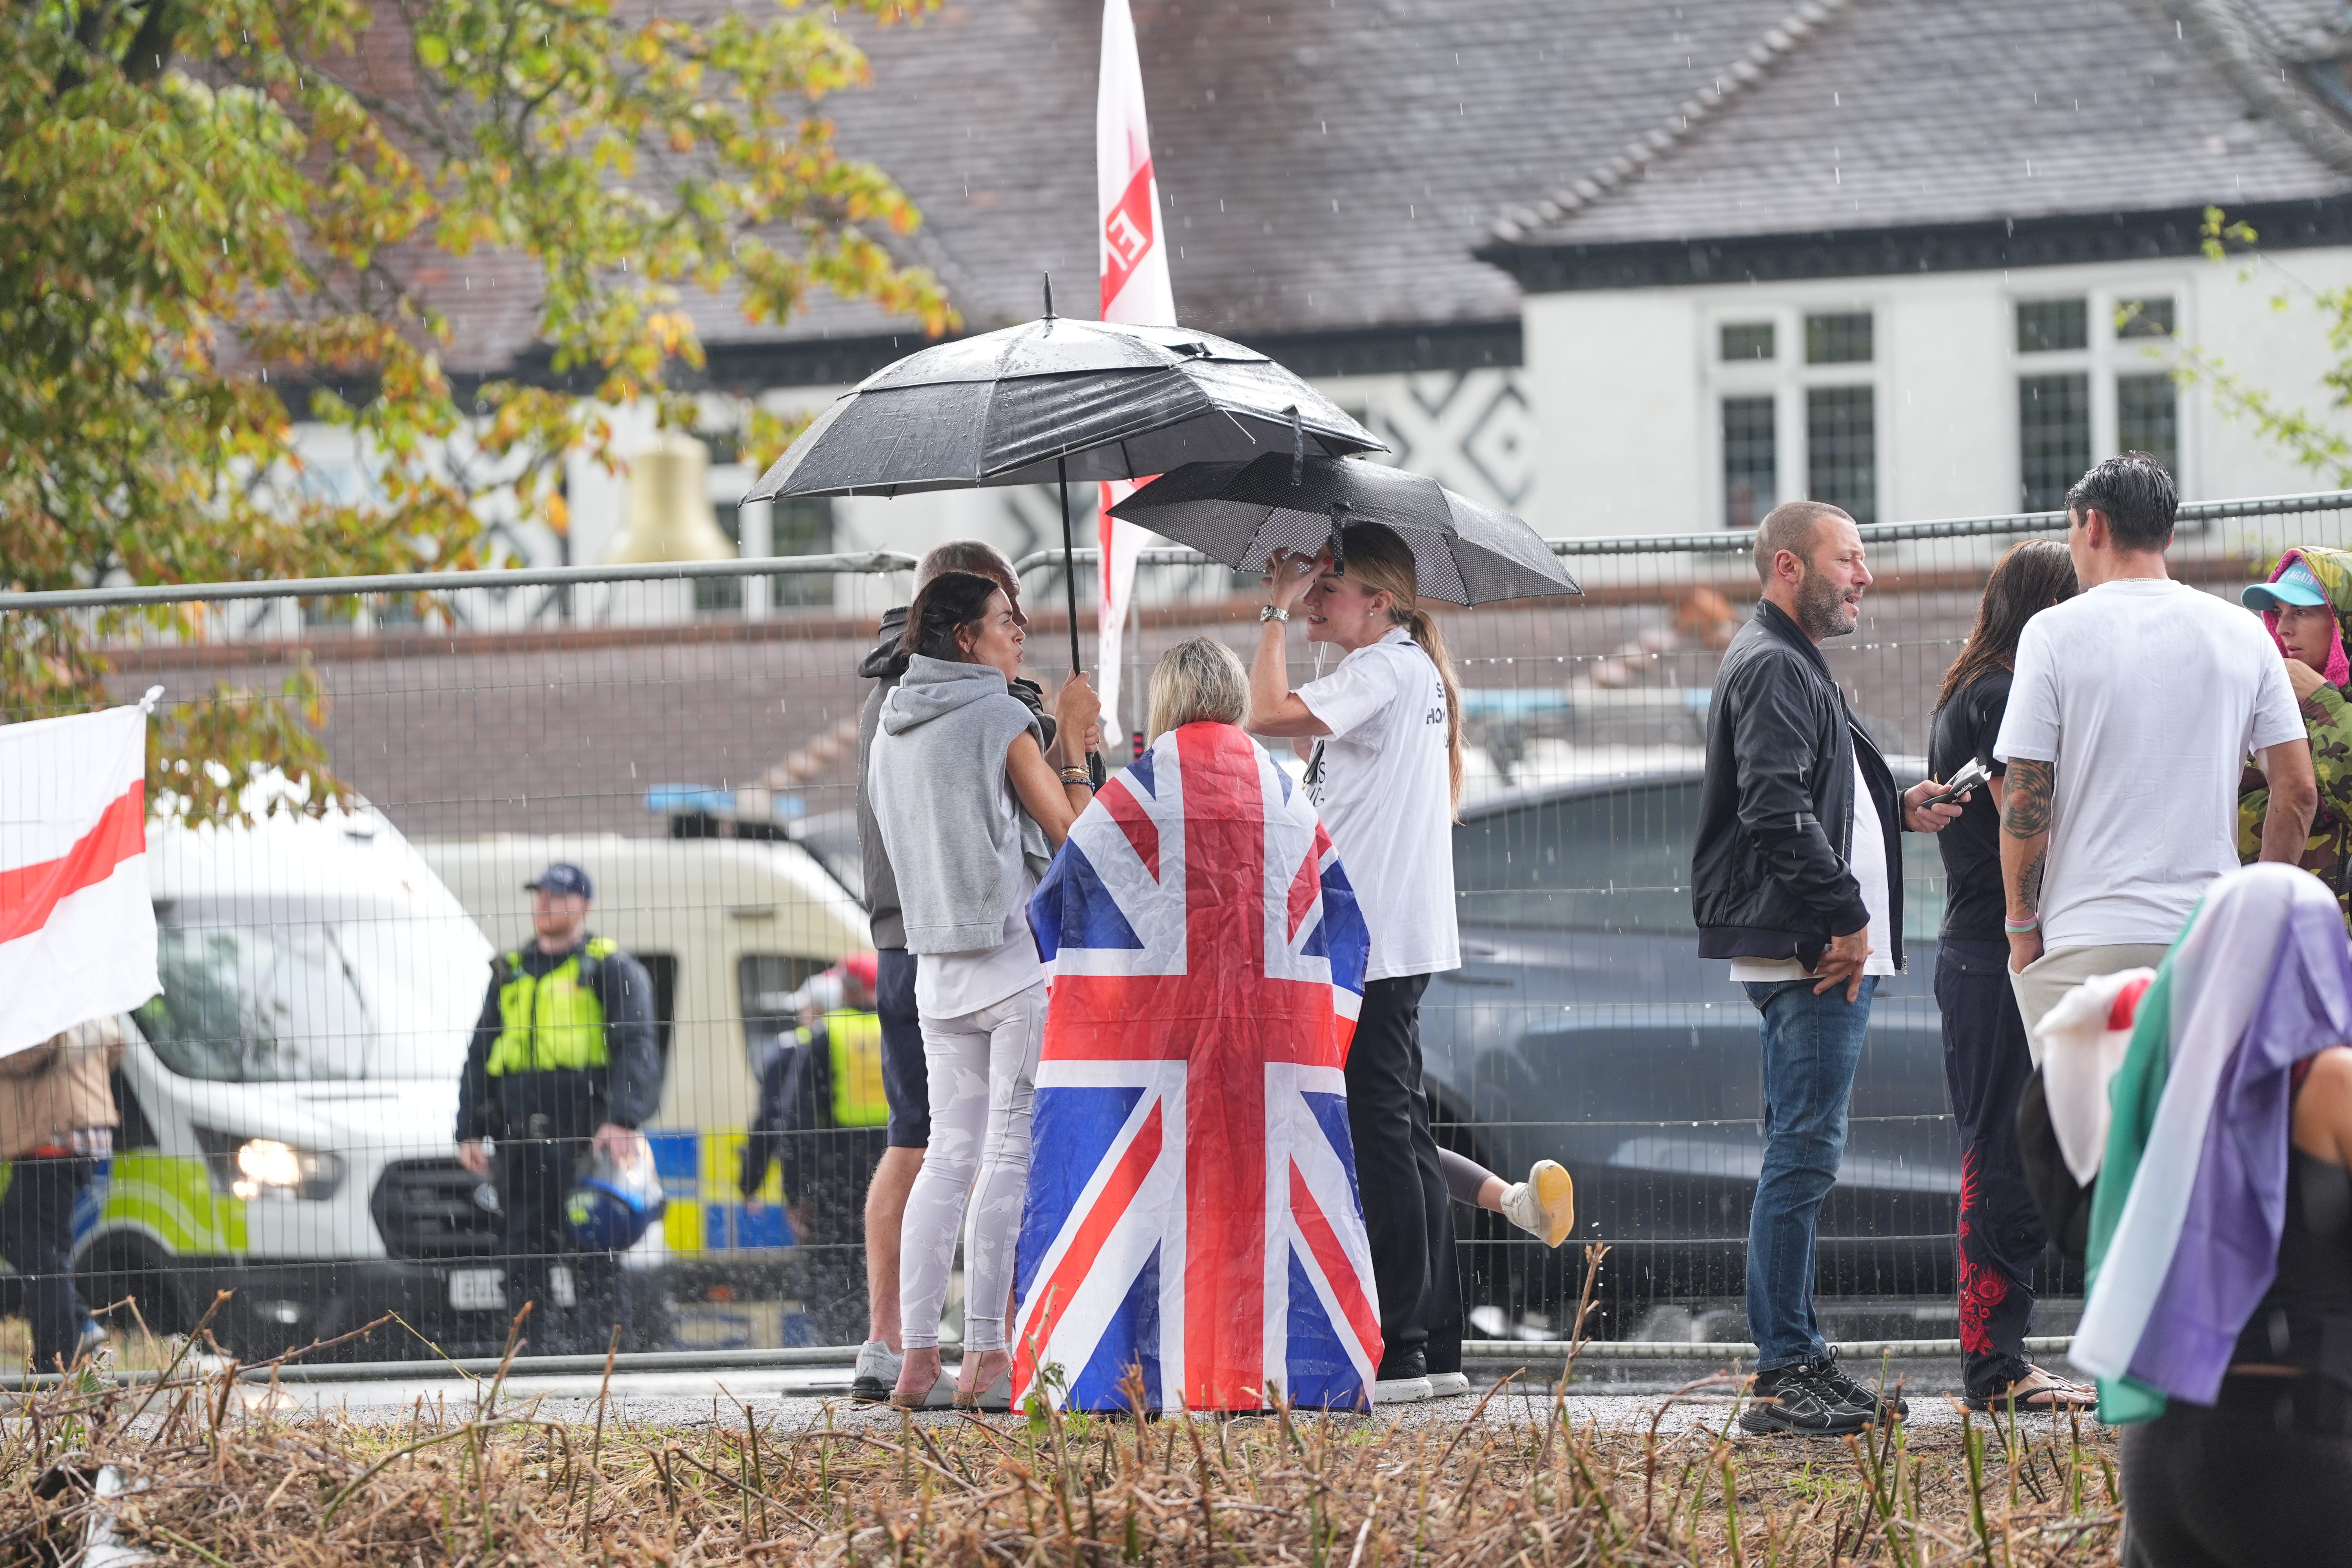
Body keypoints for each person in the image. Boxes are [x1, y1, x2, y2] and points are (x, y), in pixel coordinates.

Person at [1013, 637, 1381, 1411]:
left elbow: (1062, 895)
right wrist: (1319, 1035)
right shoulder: (1286, 797)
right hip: (1270, 1045)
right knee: (1258, 1204)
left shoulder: (1136, 794)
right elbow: (1345, 922)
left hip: (1150, 1047)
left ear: (1166, 701)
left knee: (1136, 1207)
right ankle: (1279, 1372)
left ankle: (1125, 1371)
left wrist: (1077, 764)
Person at [1691, 499, 1964, 1437]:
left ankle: (1801, 1357)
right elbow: (1772, 807)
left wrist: (1901, 803)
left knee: (1803, 1153)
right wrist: (1845, 917)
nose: (1867, 574)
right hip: (1814, 952)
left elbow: (1817, 790)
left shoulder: (1787, 657)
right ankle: (1782, 1377)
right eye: (1848, 558)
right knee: (1802, 1156)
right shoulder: (1772, 661)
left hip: (1818, 946)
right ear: (1786, 566)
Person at [1247, 522, 1468, 1403]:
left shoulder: (1381, 670)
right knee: (1401, 1126)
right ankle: (1431, 1337)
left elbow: (1262, 715)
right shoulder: (1400, 667)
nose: (1313, 595)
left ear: (1380, 600)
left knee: (1383, 1127)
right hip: (1385, 929)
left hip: (1373, 932)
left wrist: (1270, 611)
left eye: (1329, 585)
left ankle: (1404, 1342)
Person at [853, 539, 1077, 1401]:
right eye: (1003, 622)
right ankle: (986, 1353)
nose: (1018, 633)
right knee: (1006, 1154)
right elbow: (1064, 826)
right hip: (1011, 963)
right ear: (963, 638)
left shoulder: (890, 724)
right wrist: (1074, 737)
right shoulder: (998, 718)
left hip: (933, 963)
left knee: (946, 1155)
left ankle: (916, 1355)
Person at [1998, 454, 2316, 1051]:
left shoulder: (2052, 632)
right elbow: (2298, 790)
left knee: (2091, 1139)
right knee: (2193, 1135)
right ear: (2167, 535)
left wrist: (2021, 927)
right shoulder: (2245, 632)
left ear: (2092, 527)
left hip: (2085, 937)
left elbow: (2025, 793)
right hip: (2205, 939)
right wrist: (2255, 915)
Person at [1927, 539, 2096, 1412]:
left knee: (2003, 1144)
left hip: (1978, 947)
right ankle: (1995, 1367)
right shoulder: (1998, 695)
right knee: (2004, 1149)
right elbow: (2018, 819)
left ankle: (2000, 1359)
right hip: (1998, 950)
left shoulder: (1974, 685)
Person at [456, 862, 663, 1354]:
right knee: (521, 1259)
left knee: (594, 1256)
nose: (545, 902)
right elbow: (481, 1054)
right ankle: (531, 1366)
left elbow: (637, 1045)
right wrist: (468, 1128)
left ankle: (604, 1370)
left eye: (558, 894)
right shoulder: (511, 971)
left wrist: (622, 1117)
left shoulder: (609, 967)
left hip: (583, 1140)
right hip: (521, 1142)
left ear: (584, 905)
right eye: (541, 894)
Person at [737, 954, 889, 1347]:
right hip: (895, 1173)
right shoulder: (899, 1031)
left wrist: (794, 1193)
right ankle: (890, 1345)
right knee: (890, 1263)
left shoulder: (825, 1039)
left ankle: (843, 1351)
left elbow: (792, 1124)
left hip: (834, 1180)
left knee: (835, 1272)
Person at [0, 1017, 124, 1371]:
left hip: (53, 1138)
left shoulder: (39, 996)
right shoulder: (82, 993)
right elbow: (117, 1045)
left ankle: (55, 1364)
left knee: (35, 1244)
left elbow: (30, 1051)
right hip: (78, 1134)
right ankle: (78, 1324)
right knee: (29, 1239)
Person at [2239, 546, 2352, 929]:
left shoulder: (2319, 701)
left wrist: (2324, 703)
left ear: (2341, 623)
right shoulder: (2278, 700)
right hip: (2303, 938)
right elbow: (2234, 806)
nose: (2284, 628)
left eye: (2301, 612)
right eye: (2280, 613)